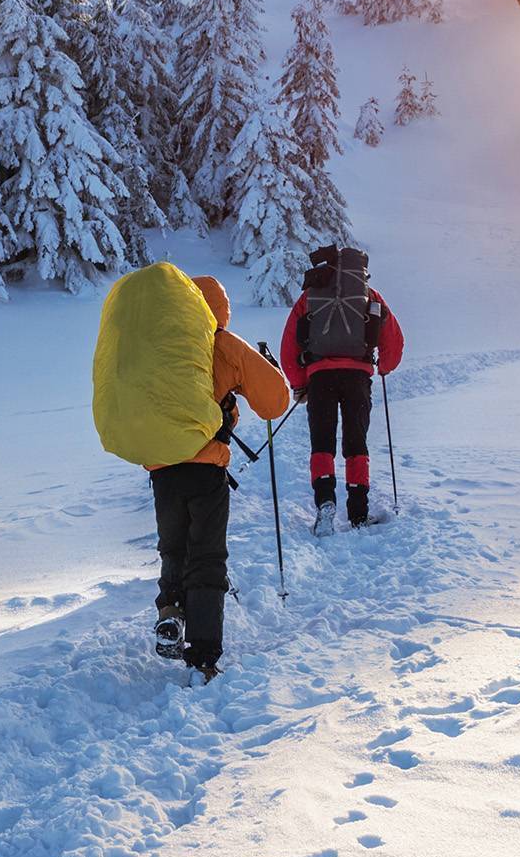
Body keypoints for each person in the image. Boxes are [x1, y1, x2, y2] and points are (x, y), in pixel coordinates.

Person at [140, 275, 290, 676]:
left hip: (162, 469)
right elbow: (275, 400)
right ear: (219, 309)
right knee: (206, 556)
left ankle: (171, 611)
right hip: (206, 469)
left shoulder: (158, 347)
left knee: (174, 548)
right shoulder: (222, 344)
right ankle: (203, 654)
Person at [278, 247, 406, 527]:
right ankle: (358, 512)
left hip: (320, 377)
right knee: (356, 443)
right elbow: (393, 341)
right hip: (357, 377)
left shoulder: (310, 296)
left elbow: (289, 346)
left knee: (322, 441)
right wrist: (383, 366)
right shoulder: (369, 296)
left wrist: (299, 384)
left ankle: (325, 503)